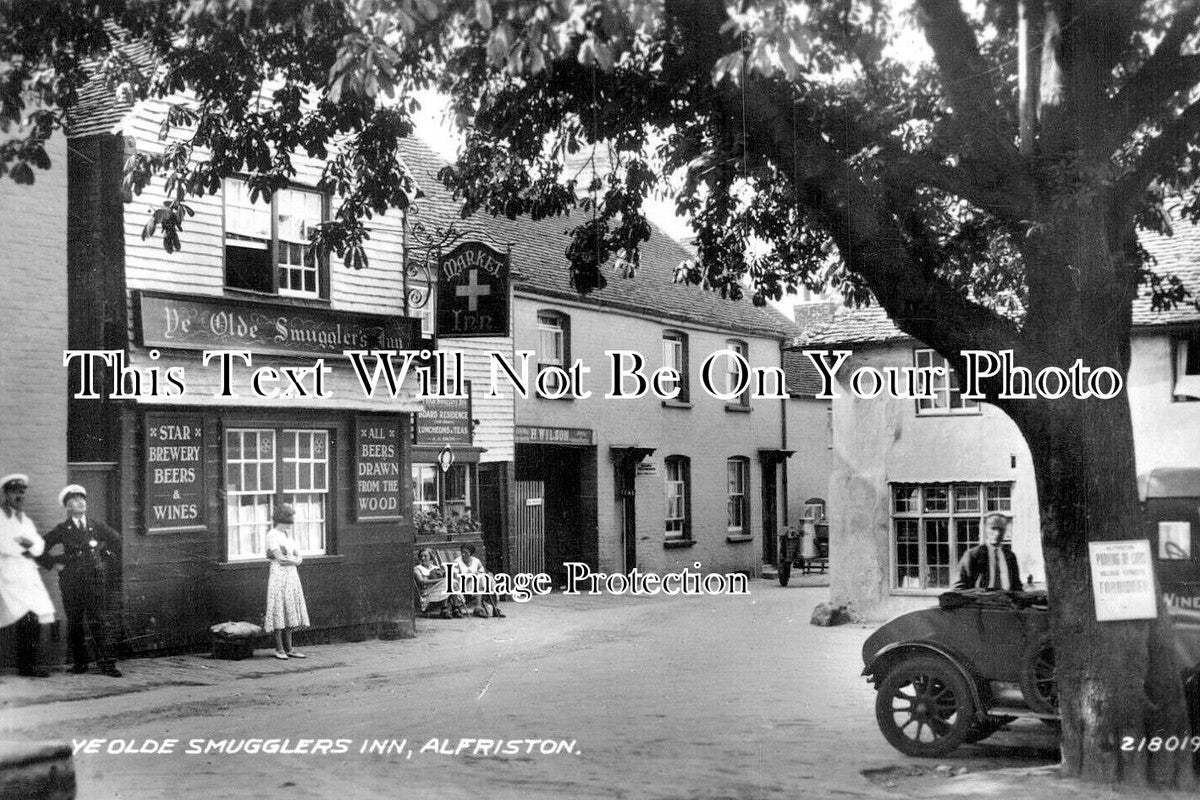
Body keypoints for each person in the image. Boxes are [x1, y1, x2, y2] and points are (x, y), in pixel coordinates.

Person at [39, 484, 123, 677]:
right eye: (75, 499)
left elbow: (116, 540)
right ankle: (80, 663)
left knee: (99, 621)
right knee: (75, 622)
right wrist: (55, 563)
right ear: (67, 506)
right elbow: (39, 548)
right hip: (72, 583)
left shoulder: (95, 525)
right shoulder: (63, 529)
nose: (81, 502)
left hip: (94, 581)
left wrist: (102, 556)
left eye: (82, 498)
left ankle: (107, 664)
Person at [0, 474, 56, 677]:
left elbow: (39, 547)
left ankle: (28, 666)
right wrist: (24, 546)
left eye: (22, 492)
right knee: (13, 616)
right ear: (6, 494)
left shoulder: (26, 520)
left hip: (27, 575)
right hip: (7, 575)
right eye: (15, 492)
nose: (19, 496)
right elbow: (3, 544)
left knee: (34, 617)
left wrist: (29, 545)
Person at [263, 504, 309, 659]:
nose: (290, 523)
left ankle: (289, 647)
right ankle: (279, 648)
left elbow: (299, 555)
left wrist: (296, 560)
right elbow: (280, 559)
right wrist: (295, 561)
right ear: (283, 520)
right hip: (278, 575)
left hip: (291, 576)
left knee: (289, 607)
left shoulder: (288, 535)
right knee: (278, 607)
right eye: (289, 520)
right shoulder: (272, 534)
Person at [954, 513, 1023, 591]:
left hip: (1007, 601)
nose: (997, 533)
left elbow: (1017, 586)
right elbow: (959, 587)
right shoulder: (973, 555)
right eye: (993, 528)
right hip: (980, 601)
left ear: (1005, 531)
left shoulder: (1010, 556)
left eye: (1001, 529)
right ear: (986, 530)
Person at [451, 543, 506, 618]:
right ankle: (479, 607)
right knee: (481, 580)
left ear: (471, 553)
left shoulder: (476, 561)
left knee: (488, 578)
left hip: (478, 585)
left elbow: (482, 572)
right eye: (462, 552)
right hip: (463, 585)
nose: (463, 554)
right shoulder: (457, 562)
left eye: (466, 553)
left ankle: (493, 608)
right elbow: (455, 577)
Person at [414, 547, 464, 618]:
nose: (423, 558)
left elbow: (444, 576)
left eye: (425, 556)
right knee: (447, 582)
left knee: (450, 581)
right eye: (421, 556)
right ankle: (450, 608)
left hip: (439, 591)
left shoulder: (435, 568)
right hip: (427, 594)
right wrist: (440, 580)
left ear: (430, 557)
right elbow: (422, 581)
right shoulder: (417, 569)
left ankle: (452, 607)